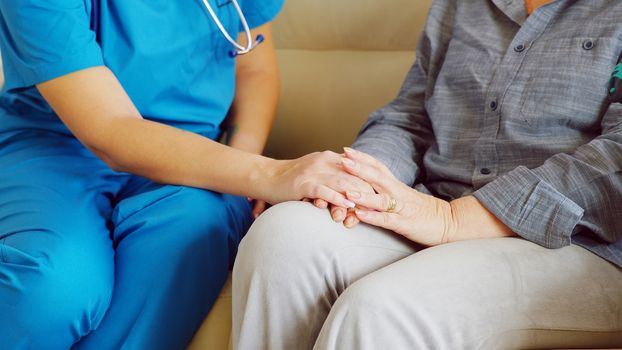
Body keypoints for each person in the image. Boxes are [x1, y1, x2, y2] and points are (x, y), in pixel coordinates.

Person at [232, 0, 622, 349]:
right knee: (284, 234)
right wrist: (357, 181)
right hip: (427, 205)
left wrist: (455, 219)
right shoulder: (459, 6)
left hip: (572, 244)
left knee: (382, 309)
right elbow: (410, 116)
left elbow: (616, 155)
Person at [0, 1, 376, 349]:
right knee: (50, 288)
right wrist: (269, 173)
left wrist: (239, 162)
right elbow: (109, 130)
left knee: (191, 228)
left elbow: (254, 68)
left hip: (193, 158)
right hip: (55, 146)